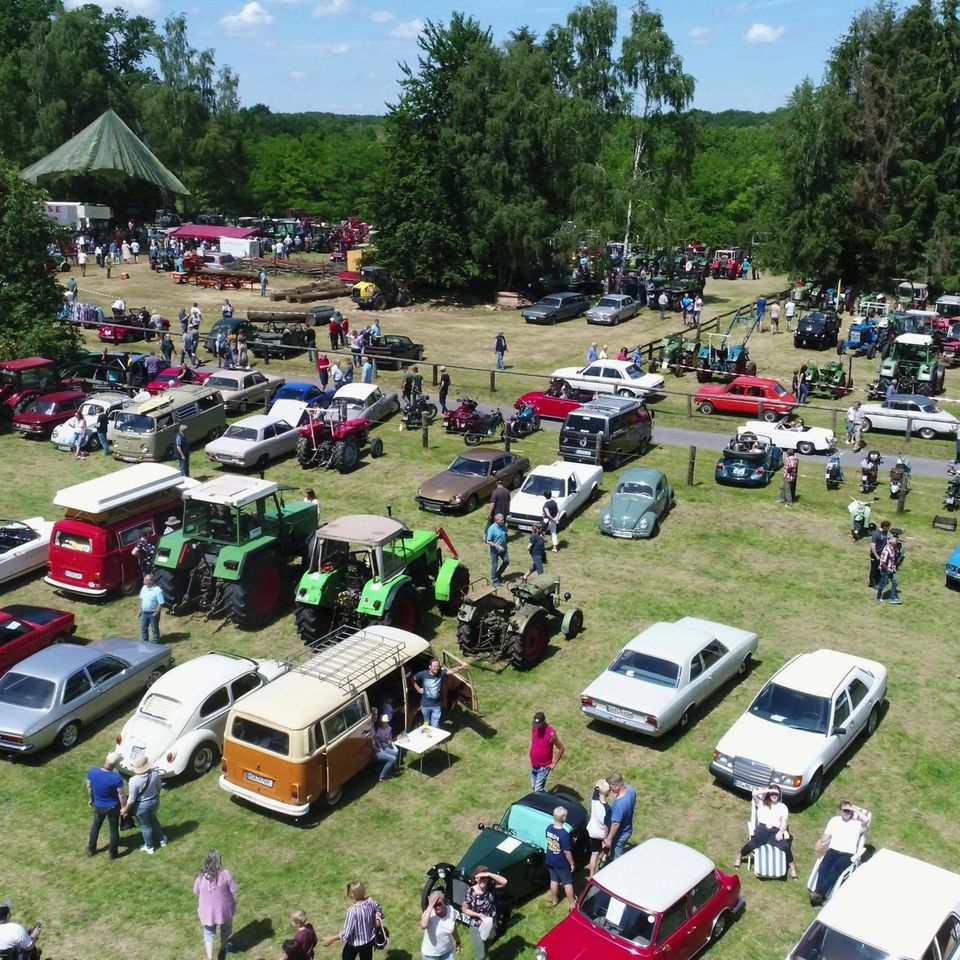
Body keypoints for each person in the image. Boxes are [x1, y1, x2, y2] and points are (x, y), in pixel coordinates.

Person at [810, 802, 871, 905]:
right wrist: (820, 841)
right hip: (832, 851)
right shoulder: (835, 820)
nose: (846, 812)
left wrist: (854, 809)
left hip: (847, 854)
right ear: (840, 811)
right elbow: (826, 835)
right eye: (844, 810)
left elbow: (866, 820)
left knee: (835, 870)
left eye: (848, 811)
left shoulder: (858, 824)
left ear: (852, 812)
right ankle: (818, 894)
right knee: (823, 868)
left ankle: (818, 893)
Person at [734, 786, 798, 879]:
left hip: (774, 832)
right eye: (772, 793)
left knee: (785, 847)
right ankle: (739, 857)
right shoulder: (761, 803)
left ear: (779, 795)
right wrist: (770, 790)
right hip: (762, 830)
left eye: (776, 793)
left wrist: (781, 831)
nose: (774, 795)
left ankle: (792, 868)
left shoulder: (782, 807)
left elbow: (784, 822)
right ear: (769, 793)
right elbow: (754, 794)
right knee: (752, 844)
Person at [193, 850, 238, 960]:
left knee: (209, 933)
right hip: (224, 911)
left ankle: (209, 957)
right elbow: (234, 889)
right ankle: (223, 948)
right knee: (225, 930)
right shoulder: (225, 875)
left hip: (207, 913)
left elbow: (196, 892)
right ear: (219, 862)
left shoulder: (200, 878)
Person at [322, 881, 383, 960]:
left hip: (354, 944)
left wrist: (332, 938)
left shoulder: (352, 911)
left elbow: (346, 933)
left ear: (352, 895)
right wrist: (376, 921)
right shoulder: (371, 901)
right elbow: (380, 911)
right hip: (369, 941)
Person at [122, 754, 167, 854]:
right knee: (153, 818)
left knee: (145, 825)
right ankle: (162, 839)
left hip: (141, 806)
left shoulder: (133, 781)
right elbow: (159, 787)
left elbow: (132, 799)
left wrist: (125, 810)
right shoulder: (154, 774)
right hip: (155, 800)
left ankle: (149, 847)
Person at [86, 750, 125, 859]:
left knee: (96, 827)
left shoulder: (93, 772)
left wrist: (91, 799)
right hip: (113, 807)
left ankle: (91, 849)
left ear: (106, 759)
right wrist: (124, 807)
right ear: (116, 765)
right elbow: (121, 794)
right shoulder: (116, 778)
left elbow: (89, 787)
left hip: (99, 806)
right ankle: (113, 853)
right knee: (113, 829)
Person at [460, 868, 506, 960]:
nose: (483, 880)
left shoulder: (490, 887)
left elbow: (504, 882)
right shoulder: (470, 892)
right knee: (480, 955)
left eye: (485, 878)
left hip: (491, 923)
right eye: (480, 878)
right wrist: (478, 915)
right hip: (477, 926)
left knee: (486, 948)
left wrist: (489, 873)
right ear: (476, 879)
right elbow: (464, 909)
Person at [412, 657, 467, 728]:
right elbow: (412, 678)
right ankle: (427, 732)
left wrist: (461, 667)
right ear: (430, 666)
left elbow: (452, 670)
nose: (436, 668)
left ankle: (434, 736)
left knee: (435, 725)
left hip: (436, 706)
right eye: (434, 666)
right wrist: (418, 689)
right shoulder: (423, 674)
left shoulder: (441, 673)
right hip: (425, 705)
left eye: (438, 666)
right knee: (426, 722)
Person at [545, 807, 576, 908]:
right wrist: (571, 863)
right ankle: (572, 903)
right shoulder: (564, 834)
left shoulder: (549, 828)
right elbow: (567, 852)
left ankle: (554, 899)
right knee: (567, 882)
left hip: (550, 859)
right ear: (564, 818)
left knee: (554, 880)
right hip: (561, 862)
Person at [529, 711, 564, 792]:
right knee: (534, 787)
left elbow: (561, 748)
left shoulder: (551, 734)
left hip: (543, 767)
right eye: (535, 724)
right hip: (534, 764)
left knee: (538, 790)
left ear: (544, 722)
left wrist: (554, 763)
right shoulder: (534, 728)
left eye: (538, 725)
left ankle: (543, 803)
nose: (536, 726)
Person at [603, 772, 636, 860]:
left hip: (621, 834)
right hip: (628, 828)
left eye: (611, 787)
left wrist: (609, 839)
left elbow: (615, 824)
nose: (610, 789)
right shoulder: (631, 790)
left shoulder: (619, 804)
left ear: (617, 786)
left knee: (616, 858)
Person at [420, 890, 460, 960]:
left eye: (439, 904)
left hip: (447, 952)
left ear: (444, 902)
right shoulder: (429, 913)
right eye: (434, 905)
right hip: (431, 955)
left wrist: (458, 942)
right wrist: (430, 906)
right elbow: (423, 925)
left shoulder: (450, 910)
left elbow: (453, 928)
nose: (437, 907)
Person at [586, 779, 611, 877]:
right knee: (608, 844)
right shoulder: (608, 809)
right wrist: (605, 839)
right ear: (609, 793)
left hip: (592, 831)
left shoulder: (594, 799)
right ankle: (604, 858)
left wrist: (602, 783)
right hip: (601, 833)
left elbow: (596, 787)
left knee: (594, 853)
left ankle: (592, 875)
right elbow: (606, 826)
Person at [139, 573, 165, 643]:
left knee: (154, 629)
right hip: (144, 613)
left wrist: (156, 612)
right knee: (143, 628)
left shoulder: (157, 590)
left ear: (151, 581)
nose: (143, 581)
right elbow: (141, 599)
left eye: (145, 580)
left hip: (153, 613)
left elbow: (161, 603)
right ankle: (144, 642)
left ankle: (156, 642)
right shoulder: (144, 588)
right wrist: (141, 610)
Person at [373, 714, 399, 782]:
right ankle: (382, 777)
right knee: (393, 758)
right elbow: (375, 742)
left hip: (383, 745)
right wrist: (380, 748)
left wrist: (389, 740)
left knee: (395, 753)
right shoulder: (378, 731)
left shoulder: (388, 727)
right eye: (384, 722)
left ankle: (390, 769)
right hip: (379, 748)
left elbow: (389, 734)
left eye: (386, 722)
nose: (385, 723)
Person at [876, 534, 902, 603]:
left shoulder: (892, 548)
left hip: (891, 570)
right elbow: (883, 562)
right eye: (896, 543)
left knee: (895, 582)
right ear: (894, 544)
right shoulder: (887, 550)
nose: (897, 545)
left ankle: (893, 597)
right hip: (885, 570)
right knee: (882, 584)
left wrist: (893, 567)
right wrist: (887, 569)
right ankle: (878, 598)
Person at [485, 513, 510, 586]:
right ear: (496, 520)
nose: (503, 521)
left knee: (506, 561)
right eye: (501, 520)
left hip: (504, 548)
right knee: (495, 565)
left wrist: (507, 533)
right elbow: (488, 541)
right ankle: (495, 580)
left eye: (503, 519)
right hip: (495, 551)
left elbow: (506, 531)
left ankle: (498, 574)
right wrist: (497, 546)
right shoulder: (492, 529)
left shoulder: (503, 525)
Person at [869, 520, 891, 588]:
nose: (888, 529)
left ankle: (876, 581)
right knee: (873, 569)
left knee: (878, 568)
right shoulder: (876, 534)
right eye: (888, 527)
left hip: (881, 554)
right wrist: (876, 555)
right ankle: (871, 583)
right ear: (884, 527)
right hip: (876, 554)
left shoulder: (885, 532)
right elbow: (873, 545)